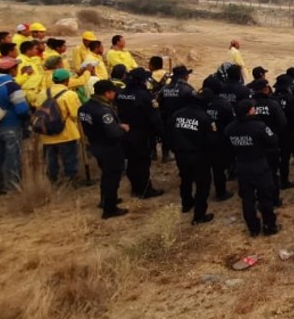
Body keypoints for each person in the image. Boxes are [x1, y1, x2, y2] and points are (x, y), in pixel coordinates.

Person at [226, 99, 279, 236]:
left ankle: (253, 228)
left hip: (241, 166)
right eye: (253, 108)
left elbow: (227, 148)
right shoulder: (259, 126)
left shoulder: (230, 128)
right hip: (259, 165)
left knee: (247, 199)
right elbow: (273, 140)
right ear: (249, 111)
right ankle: (269, 226)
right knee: (265, 197)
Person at [78, 80, 129, 219]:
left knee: (106, 174)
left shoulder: (84, 108)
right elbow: (113, 133)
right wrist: (122, 129)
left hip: (95, 145)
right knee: (112, 177)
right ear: (107, 93)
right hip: (109, 148)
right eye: (113, 92)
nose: (114, 94)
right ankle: (110, 209)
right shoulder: (103, 111)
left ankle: (105, 200)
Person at [169, 93, 219, 225]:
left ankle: (186, 204)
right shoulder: (205, 117)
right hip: (199, 156)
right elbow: (212, 140)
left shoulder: (176, 115)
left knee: (185, 180)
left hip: (181, 155)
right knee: (203, 185)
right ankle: (199, 215)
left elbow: (169, 134)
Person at [115, 68, 164, 198]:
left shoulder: (121, 93)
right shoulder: (145, 96)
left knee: (131, 161)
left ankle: (135, 188)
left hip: (125, 131)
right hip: (141, 133)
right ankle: (145, 190)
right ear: (142, 80)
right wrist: (160, 132)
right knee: (142, 162)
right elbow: (154, 117)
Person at [0, 57, 30, 194]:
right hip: (11, 126)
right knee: (13, 157)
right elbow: (22, 109)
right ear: (12, 70)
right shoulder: (12, 86)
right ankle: (13, 187)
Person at [39, 68, 84, 185]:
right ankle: (71, 183)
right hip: (66, 134)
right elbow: (75, 114)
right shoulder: (70, 94)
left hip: (47, 134)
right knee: (69, 160)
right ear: (67, 80)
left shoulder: (42, 94)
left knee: (51, 161)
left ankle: (53, 182)